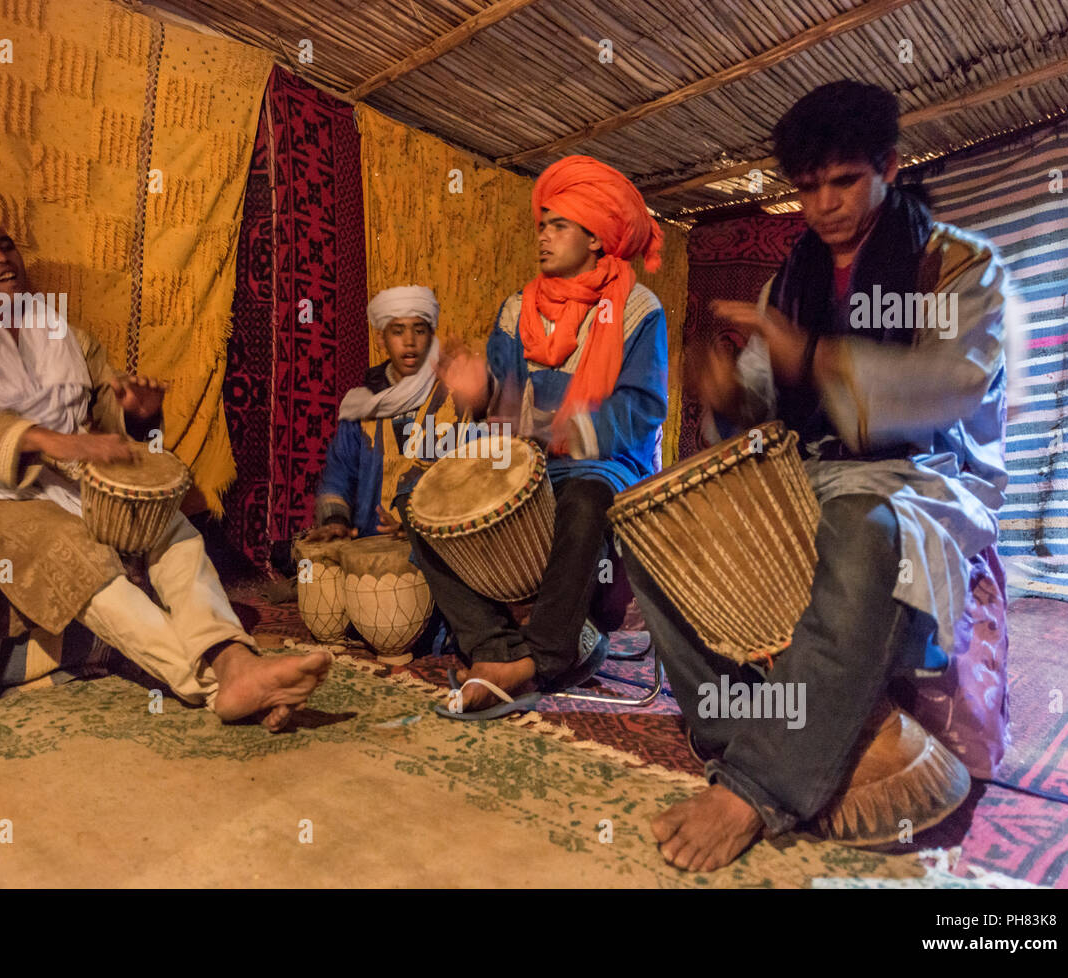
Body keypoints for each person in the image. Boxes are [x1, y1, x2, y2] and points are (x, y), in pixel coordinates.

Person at [630, 80, 1010, 870]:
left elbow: (954, 387)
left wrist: (816, 358)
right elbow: (764, 415)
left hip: (919, 476)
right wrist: (730, 395)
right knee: (650, 519)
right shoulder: (790, 283)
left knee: (862, 531)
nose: (825, 205)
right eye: (808, 188)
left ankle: (759, 784)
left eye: (844, 181)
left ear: (890, 167)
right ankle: (733, 724)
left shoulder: (958, 268)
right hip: (809, 473)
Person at [0, 210, 329, 730]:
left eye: (6, 245)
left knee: (169, 525)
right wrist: (44, 440)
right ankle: (220, 681)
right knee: (73, 549)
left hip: (65, 482)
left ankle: (234, 661)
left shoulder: (66, 336)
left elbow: (107, 426)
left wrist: (137, 411)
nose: (1, 257)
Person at [425, 154, 669, 715]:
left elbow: (642, 411)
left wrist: (557, 429)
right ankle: (496, 648)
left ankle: (544, 657)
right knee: (424, 502)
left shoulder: (637, 310)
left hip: (603, 467)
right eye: (543, 224)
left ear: (597, 237)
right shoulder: (517, 311)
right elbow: (501, 404)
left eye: (559, 225)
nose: (543, 236)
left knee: (584, 502)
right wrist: (478, 392)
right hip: (524, 464)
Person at [308, 286, 461, 543]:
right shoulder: (364, 406)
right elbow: (339, 474)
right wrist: (336, 521)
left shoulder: (453, 402)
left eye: (419, 330)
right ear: (382, 339)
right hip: (370, 539)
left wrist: (416, 528)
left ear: (431, 336)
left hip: (436, 545)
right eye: (398, 331)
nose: (410, 341)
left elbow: (466, 482)